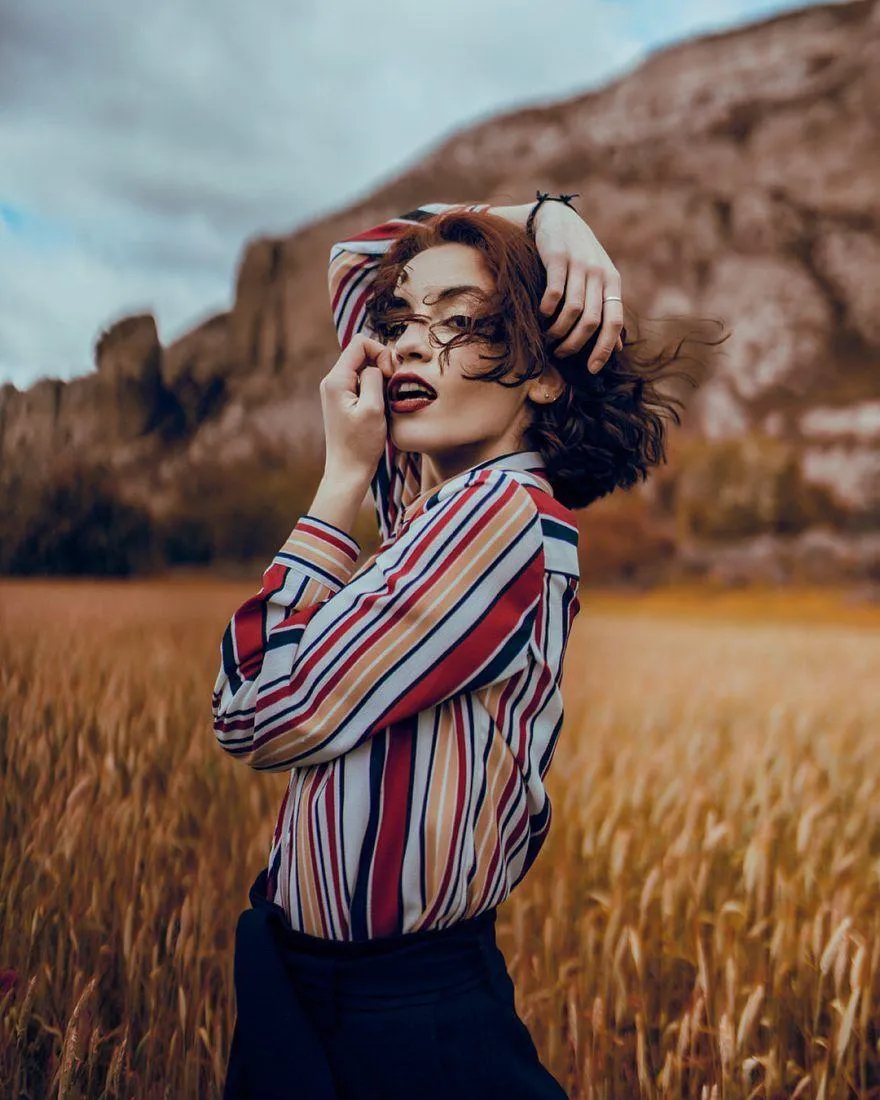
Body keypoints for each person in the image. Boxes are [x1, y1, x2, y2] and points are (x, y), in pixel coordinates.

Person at [212, 194, 687, 1099]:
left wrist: (338, 482)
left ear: (541, 374)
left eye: (464, 323)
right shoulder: (429, 501)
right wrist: (546, 216)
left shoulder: (495, 515)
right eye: (403, 324)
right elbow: (359, 261)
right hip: (314, 989)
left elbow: (253, 712)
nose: (412, 346)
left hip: (403, 1016)